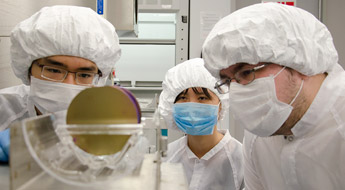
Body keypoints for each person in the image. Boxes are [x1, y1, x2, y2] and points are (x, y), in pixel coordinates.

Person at [202, 3, 345, 190]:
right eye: (228, 82)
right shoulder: (258, 135)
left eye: (246, 72)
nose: (238, 92)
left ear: (299, 61)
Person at [0, 5, 121, 162]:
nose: (68, 84)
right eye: (54, 70)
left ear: (97, 79)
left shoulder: (106, 123)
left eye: (84, 74)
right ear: (28, 70)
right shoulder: (4, 109)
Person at [158, 58, 244, 190]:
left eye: (202, 98)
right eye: (183, 98)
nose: (192, 105)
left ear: (220, 105)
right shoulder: (165, 157)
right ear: (172, 106)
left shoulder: (242, 160)